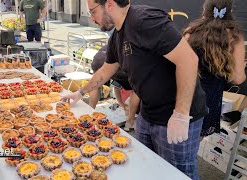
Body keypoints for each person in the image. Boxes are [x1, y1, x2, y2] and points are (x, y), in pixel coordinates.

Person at [61, 0, 208, 179]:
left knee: (177, 174)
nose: (91, 18)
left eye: (92, 12)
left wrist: (181, 114)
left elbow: (189, 60)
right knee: (145, 168)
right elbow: (107, 69)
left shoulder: (145, 22)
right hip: (148, 113)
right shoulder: (117, 36)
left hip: (176, 115)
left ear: (109, 4)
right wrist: (80, 92)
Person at [183, 0, 246, 137]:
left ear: (204, 10)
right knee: (193, 144)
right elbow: (238, 78)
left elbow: (179, 67)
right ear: (230, 12)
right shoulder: (235, 38)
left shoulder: (190, 33)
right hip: (208, 101)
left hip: (183, 94)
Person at [89, 45, 140, 131]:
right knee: (135, 90)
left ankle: (89, 114)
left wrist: (121, 103)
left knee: (96, 85)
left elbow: (116, 87)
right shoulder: (129, 64)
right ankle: (130, 122)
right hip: (117, 61)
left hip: (98, 58)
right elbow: (135, 92)